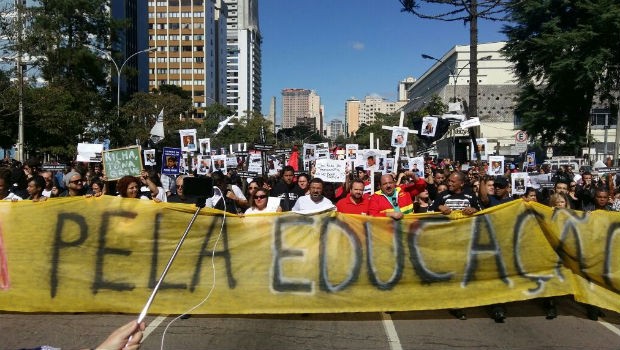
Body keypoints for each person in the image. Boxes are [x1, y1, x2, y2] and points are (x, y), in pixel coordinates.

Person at [429, 171, 481, 321]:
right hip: (446, 242)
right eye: (448, 181)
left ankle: (459, 303)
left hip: (465, 241)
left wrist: (474, 210)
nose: (449, 183)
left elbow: (483, 212)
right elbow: (429, 212)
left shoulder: (470, 196)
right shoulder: (443, 195)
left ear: (461, 183)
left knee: (461, 273)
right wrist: (439, 208)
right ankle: (451, 301)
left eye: (453, 181)